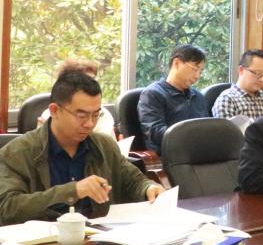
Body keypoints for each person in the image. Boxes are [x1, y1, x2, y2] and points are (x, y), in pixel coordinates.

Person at [0, 72, 164, 224]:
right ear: (54, 111)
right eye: (81, 115)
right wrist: (73, 191)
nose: (90, 124)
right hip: (43, 241)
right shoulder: (17, 152)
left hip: (96, 237)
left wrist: (149, 188)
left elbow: (133, 181)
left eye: (96, 115)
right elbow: (7, 208)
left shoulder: (104, 145)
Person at [138, 44, 209, 153]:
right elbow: (155, 132)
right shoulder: (153, 94)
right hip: (170, 155)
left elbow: (207, 127)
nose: (197, 76)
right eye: (195, 69)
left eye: (201, 71)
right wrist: (192, 139)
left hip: (199, 154)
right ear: (177, 63)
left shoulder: (198, 96)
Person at [36, 58, 116, 138]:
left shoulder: (103, 115)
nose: (91, 86)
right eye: (81, 116)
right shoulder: (49, 115)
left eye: (93, 81)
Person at [211, 49, 263, 122]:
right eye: (258, 73)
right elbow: (225, 129)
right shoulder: (227, 100)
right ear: (241, 70)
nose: (262, 79)